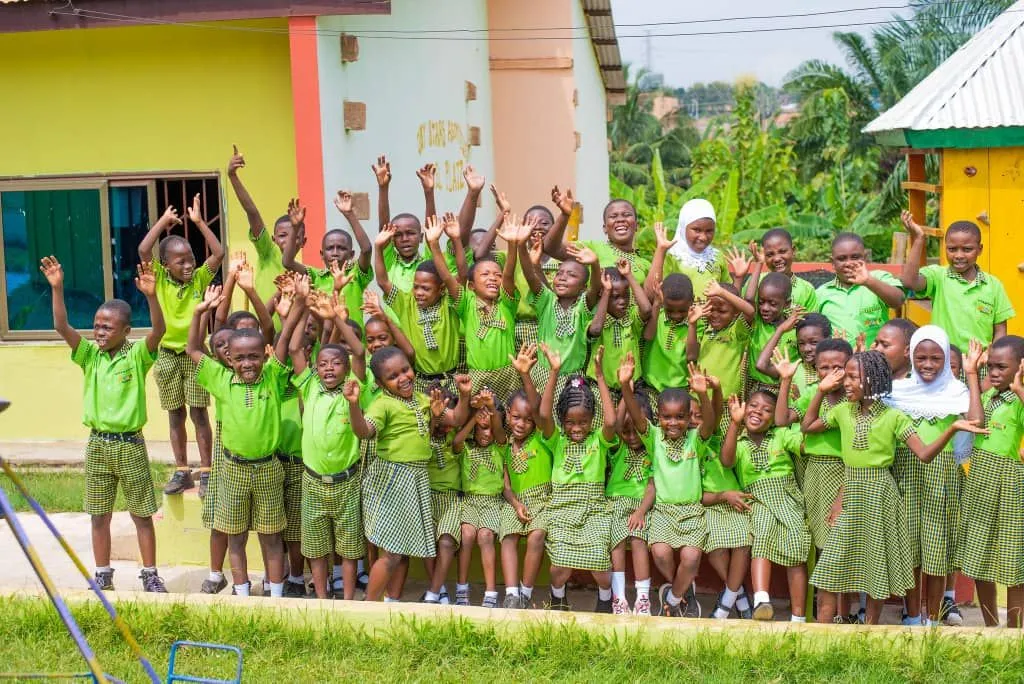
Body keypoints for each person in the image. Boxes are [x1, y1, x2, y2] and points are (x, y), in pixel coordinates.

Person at [801, 350, 985, 624]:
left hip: (880, 494)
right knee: (829, 569)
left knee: (876, 568)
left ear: (872, 380)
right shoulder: (841, 411)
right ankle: (822, 633)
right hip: (851, 491)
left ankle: (869, 630)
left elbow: (924, 454)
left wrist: (951, 429)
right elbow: (807, 425)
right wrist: (820, 391)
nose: (845, 382)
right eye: (845, 377)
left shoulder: (894, 417)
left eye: (853, 377)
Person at [40, 256, 168, 592]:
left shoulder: (137, 356)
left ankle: (150, 574)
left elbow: (159, 331)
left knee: (141, 514)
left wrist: (152, 297)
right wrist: (57, 289)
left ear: (126, 331)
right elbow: (62, 327)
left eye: (107, 327)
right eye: (97, 325)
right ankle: (102, 574)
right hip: (98, 444)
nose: (99, 331)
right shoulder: (89, 355)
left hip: (130, 445)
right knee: (99, 514)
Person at [186, 273, 304, 597]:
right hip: (234, 469)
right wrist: (199, 312)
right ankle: (241, 592)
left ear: (265, 355)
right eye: (239, 358)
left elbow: (284, 337)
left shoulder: (273, 378)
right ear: (229, 359)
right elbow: (192, 348)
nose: (247, 363)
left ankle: (275, 595)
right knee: (235, 536)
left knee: (271, 535)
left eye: (254, 356)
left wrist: (297, 303)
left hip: (268, 469)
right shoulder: (222, 380)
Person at [347, 347, 472, 601]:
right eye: (393, 376)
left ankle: (391, 602)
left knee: (400, 550)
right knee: (392, 553)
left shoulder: (422, 400)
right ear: (380, 383)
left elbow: (456, 419)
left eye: (405, 370)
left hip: (415, 479)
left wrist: (464, 394)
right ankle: (367, 607)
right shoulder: (383, 404)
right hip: (392, 480)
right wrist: (353, 405)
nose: (403, 378)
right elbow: (363, 431)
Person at [883, 326, 982, 626]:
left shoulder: (956, 392)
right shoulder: (896, 391)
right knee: (910, 549)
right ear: (911, 357)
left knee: (937, 551)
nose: (928, 364)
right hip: (905, 472)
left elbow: (976, 421)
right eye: (921, 358)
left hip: (943, 475)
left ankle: (935, 620)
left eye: (936, 358)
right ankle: (913, 618)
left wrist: (971, 375)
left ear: (946, 360)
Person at [140, 197, 224, 495]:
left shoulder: (199, 279)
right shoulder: (160, 279)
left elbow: (218, 253)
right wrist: (163, 222)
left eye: (191, 259)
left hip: (195, 355)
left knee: (199, 413)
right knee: (175, 414)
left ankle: (207, 471)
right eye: (181, 261)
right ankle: (182, 470)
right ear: (165, 265)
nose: (189, 265)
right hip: (167, 355)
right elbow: (143, 250)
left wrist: (199, 222)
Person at [621, 358, 716, 618]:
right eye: (666, 417)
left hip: (692, 512)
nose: (673, 422)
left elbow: (710, 422)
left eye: (680, 417)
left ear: (689, 418)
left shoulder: (695, 440)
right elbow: (637, 416)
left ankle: (673, 598)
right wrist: (625, 386)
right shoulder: (653, 438)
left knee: (691, 558)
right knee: (660, 553)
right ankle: (685, 590)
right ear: (659, 416)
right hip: (663, 511)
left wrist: (703, 395)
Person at [289, 323, 366, 600]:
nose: (329, 368)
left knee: (349, 548)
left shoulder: (353, 389)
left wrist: (336, 318)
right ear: (316, 368)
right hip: (313, 482)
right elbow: (294, 348)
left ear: (347, 367)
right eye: (322, 364)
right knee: (316, 547)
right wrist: (299, 306)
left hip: (347, 482)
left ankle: (347, 601)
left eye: (336, 363)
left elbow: (359, 352)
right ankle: (322, 599)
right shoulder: (309, 386)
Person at [537, 345, 617, 612]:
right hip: (562, 509)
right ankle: (558, 600)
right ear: (562, 420)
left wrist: (600, 377)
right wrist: (554, 372)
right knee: (558, 566)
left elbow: (611, 422)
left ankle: (605, 601)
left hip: (593, 509)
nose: (576, 428)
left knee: (601, 564)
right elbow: (544, 415)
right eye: (570, 422)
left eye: (583, 422)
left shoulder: (599, 441)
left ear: (592, 419)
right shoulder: (557, 441)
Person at [721, 391, 810, 622]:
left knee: (796, 540)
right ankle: (762, 600)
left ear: (774, 417)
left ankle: (798, 618)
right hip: (757, 498)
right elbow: (727, 461)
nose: (758, 411)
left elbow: (802, 445)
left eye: (766, 409)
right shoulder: (739, 441)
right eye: (753, 405)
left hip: (786, 497)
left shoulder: (781, 434)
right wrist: (734, 423)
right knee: (761, 533)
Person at [955, 335, 1024, 628]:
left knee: (1013, 562)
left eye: (1001, 367)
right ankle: (991, 627)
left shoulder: (1018, 400)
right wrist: (972, 373)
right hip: (980, 484)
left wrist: (1019, 389)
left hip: (1010, 486)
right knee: (979, 558)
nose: (994, 372)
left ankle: (1015, 632)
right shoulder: (986, 397)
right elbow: (976, 422)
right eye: (990, 366)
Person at [431, 213, 522, 401]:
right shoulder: (467, 304)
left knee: (508, 416)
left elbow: (509, 275)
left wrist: (512, 245)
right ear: (471, 286)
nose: (492, 278)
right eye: (485, 274)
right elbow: (447, 277)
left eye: (497, 275)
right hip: (478, 376)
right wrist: (434, 244)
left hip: (509, 375)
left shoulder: (507, 304)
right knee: (479, 415)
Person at [900, 212, 1015, 349]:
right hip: (944, 358)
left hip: (979, 360)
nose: (959, 255)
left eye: (967, 249)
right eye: (952, 249)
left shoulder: (993, 285)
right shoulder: (938, 276)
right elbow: (909, 282)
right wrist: (919, 238)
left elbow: (1000, 331)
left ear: (980, 250)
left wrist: (992, 357)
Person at [374, 222, 458, 394]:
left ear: (441, 289)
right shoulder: (406, 303)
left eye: (426, 289)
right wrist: (378, 248)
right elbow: (383, 282)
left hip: (451, 380)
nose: (419, 293)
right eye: (416, 287)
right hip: (421, 382)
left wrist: (434, 244)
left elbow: (456, 277)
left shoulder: (449, 303)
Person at [696, 376, 755, 620]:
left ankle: (727, 601)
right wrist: (723, 495)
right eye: (691, 416)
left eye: (699, 415)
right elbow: (698, 497)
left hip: (737, 502)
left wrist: (717, 389)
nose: (695, 420)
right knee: (715, 545)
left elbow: (716, 413)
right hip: (712, 504)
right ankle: (738, 597)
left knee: (743, 540)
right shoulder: (689, 448)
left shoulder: (715, 438)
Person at [500, 345, 554, 610]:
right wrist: (515, 503)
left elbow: (540, 411)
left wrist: (525, 376)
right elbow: (505, 485)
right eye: (516, 417)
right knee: (508, 535)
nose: (521, 424)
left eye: (528, 420)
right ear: (507, 414)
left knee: (536, 535)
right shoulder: (504, 444)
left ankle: (525, 592)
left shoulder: (543, 438)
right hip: (515, 501)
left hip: (543, 500)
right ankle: (511, 593)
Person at [281, 191, 373, 327]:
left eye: (341, 248)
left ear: (351, 254)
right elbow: (287, 262)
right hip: (325, 338)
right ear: (322, 254)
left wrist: (349, 215)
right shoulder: (316, 276)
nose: (335, 252)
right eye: (330, 248)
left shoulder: (356, 273)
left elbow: (366, 249)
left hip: (353, 336)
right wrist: (295, 228)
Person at [453, 391, 507, 608]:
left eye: (489, 429)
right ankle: (461, 588)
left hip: (493, 502)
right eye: (481, 428)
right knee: (467, 535)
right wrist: (473, 419)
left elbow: (499, 433)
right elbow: (456, 441)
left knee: (485, 536)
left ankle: (491, 592)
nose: (486, 434)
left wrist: (491, 410)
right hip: (470, 501)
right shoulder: (466, 449)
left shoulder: (500, 447)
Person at [226, 145, 296, 306]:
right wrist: (232, 176)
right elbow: (252, 213)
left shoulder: (305, 271)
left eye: (294, 236)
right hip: (261, 323)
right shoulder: (268, 253)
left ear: (303, 240)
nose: (288, 240)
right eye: (282, 235)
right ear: (273, 239)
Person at [605, 390, 654, 616]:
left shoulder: (653, 449)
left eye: (637, 431)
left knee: (638, 538)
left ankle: (643, 598)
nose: (632, 437)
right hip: (615, 502)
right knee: (616, 540)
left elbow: (652, 486)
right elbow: (615, 426)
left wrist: (641, 511)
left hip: (641, 505)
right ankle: (619, 597)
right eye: (627, 432)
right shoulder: (618, 446)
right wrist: (626, 392)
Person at [542, 189, 652, 286]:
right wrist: (565, 215)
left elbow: (650, 299)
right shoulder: (592, 248)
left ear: (636, 226)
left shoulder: (646, 264)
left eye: (627, 215)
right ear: (605, 228)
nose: (620, 220)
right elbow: (551, 248)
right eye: (613, 216)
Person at [815, 233, 903, 347]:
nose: (849, 263)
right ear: (833, 262)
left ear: (865, 257)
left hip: (876, 357)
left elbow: (898, 300)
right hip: (840, 357)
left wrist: (869, 281)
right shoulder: (822, 293)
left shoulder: (878, 279)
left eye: (855, 257)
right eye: (841, 259)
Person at [588, 264, 652, 394]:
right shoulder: (596, 319)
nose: (622, 301)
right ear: (602, 295)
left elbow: (646, 309)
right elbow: (595, 330)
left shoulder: (631, 318)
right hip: (600, 386)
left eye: (626, 295)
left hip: (632, 384)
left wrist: (629, 275)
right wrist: (607, 292)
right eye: (616, 297)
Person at [689, 282, 755, 402]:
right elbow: (691, 356)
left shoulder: (736, 331)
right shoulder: (705, 330)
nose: (715, 315)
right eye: (711, 309)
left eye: (722, 311)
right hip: (699, 398)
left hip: (725, 400)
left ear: (736, 312)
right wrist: (692, 324)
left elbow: (750, 312)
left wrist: (721, 292)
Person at [660, 199, 731, 299]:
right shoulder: (673, 256)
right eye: (697, 230)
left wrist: (738, 277)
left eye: (709, 231)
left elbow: (728, 290)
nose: (703, 237)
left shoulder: (717, 256)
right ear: (683, 227)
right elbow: (660, 290)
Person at [643, 269, 695, 395]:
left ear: (692, 300)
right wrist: (656, 304)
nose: (676, 315)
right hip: (651, 386)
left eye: (682, 311)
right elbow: (648, 336)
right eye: (670, 310)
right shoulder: (658, 315)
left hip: (680, 388)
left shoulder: (696, 323)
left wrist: (692, 324)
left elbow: (691, 356)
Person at [745, 273, 798, 393]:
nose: (765, 308)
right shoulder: (757, 322)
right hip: (755, 389)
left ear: (787, 304)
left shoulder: (796, 329)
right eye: (761, 302)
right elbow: (748, 299)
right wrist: (758, 265)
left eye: (772, 304)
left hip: (784, 390)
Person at [755, 228, 818, 312]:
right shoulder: (756, 281)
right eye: (770, 254)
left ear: (793, 251)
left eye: (782, 252)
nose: (777, 259)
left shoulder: (807, 290)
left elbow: (812, 319)